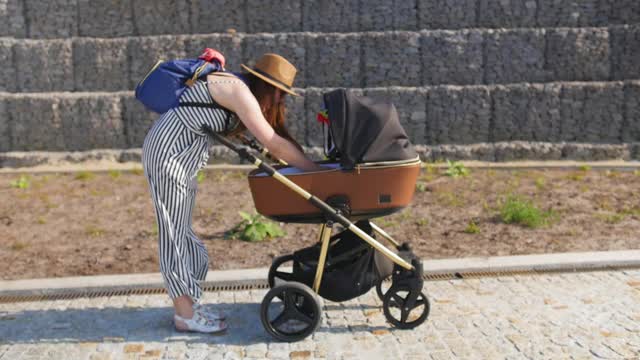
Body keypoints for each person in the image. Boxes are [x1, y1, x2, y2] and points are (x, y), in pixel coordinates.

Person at [142, 53, 323, 333]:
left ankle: (189, 303)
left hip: (181, 156)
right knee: (173, 231)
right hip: (169, 154)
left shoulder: (237, 89)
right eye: (280, 94)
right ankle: (184, 315)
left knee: (183, 231)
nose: (279, 101)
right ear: (270, 88)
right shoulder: (239, 92)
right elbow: (274, 144)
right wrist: (316, 171)